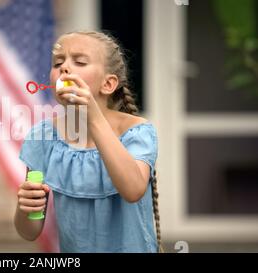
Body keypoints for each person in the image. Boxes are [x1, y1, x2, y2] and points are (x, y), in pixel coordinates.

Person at [14, 30, 162, 253]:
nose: (64, 68)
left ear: (108, 84)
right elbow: (29, 231)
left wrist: (92, 116)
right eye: (57, 63)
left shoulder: (136, 131)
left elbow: (133, 190)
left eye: (80, 61)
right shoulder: (43, 136)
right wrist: (25, 208)